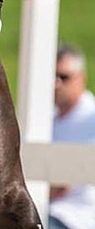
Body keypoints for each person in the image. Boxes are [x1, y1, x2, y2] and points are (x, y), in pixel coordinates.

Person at [49, 44, 95, 229]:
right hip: (47, 209)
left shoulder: (90, 119)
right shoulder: (46, 118)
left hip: (78, 215)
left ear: (81, 78)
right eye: (51, 76)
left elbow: (61, 185)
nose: (56, 83)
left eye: (64, 77)